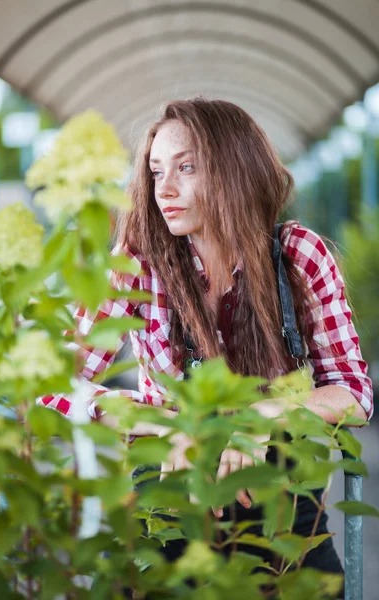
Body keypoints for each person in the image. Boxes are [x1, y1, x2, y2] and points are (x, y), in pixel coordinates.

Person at [40, 98, 373, 583]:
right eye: (156, 172)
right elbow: (51, 380)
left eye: (186, 167)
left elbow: (354, 393)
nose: (164, 190)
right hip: (172, 491)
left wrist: (257, 416)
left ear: (235, 170)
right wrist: (166, 425)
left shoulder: (298, 255)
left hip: (280, 492)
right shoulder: (140, 263)